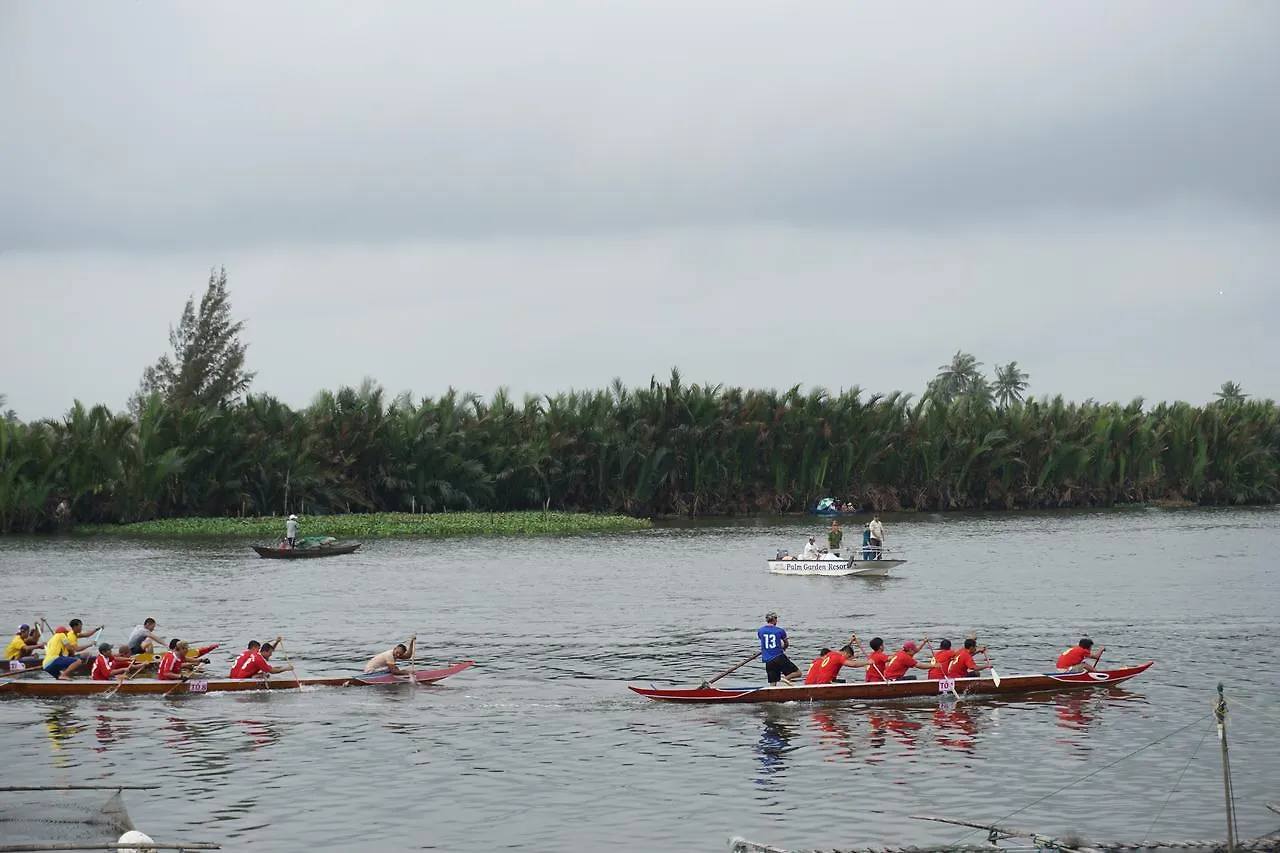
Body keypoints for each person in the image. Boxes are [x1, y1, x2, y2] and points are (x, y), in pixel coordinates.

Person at [758, 612, 800, 686]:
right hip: (779, 656)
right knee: (798, 673)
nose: (776, 620)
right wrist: (783, 648)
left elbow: (764, 642)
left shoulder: (760, 630)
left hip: (768, 660)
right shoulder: (780, 631)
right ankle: (786, 678)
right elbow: (786, 644)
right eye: (776, 618)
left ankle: (773, 696)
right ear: (774, 619)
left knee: (773, 684)